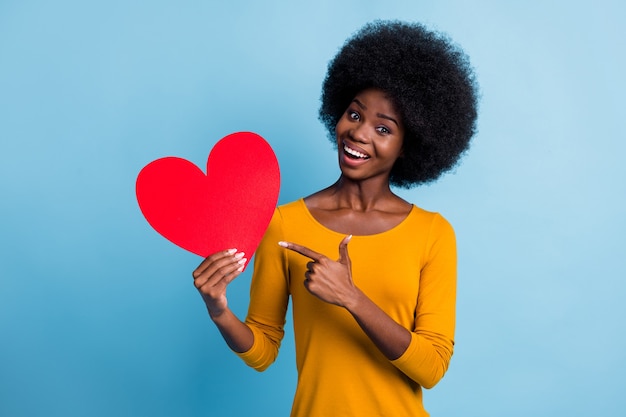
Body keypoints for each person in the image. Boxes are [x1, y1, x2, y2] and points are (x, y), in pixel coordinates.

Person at [192, 20, 478, 417]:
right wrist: (219, 310)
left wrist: (351, 297)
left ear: (406, 145)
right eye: (354, 114)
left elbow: (431, 367)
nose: (359, 133)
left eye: (383, 128)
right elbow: (262, 350)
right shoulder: (284, 223)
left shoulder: (432, 233)